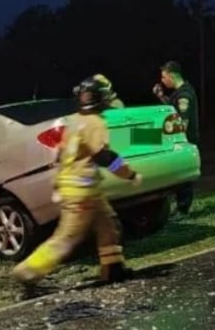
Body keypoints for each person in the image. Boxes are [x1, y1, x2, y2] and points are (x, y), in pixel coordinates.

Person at [12, 77, 141, 288]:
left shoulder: (73, 121)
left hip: (84, 188)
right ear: (100, 99)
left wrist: (58, 184)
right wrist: (130, 175)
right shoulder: (94, 123)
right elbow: (104, 156)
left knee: (108, 225)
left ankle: (113, 269)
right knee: (68, 236)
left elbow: (61, 154)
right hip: (81, 191)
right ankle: (28, 270)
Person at [153, 61, 199, 215]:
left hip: (185, 140)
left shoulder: (184, 95)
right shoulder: (179, 92)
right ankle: (180, 207)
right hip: (180, 139)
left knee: (183, 178)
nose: (162, 80)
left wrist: (164, 137)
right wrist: (161, 96)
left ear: (171, 76)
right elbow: (174, 110)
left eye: (164, 77)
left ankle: (183, 209)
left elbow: (182, 122)